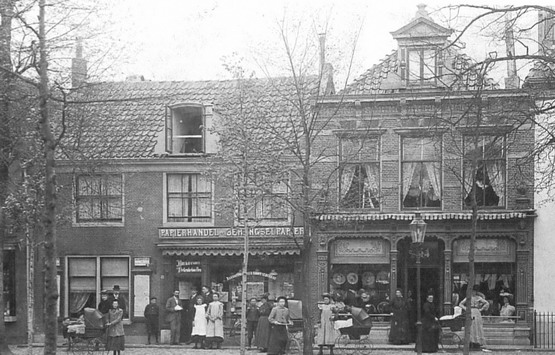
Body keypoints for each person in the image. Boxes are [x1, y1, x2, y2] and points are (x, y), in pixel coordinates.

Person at [460, 285, 490, 351]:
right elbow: (460, 304)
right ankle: (471, 342)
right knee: (471, 326)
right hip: (470, 311)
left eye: (474, 291)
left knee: (477, 326)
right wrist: (466, 308)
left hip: (476, 312)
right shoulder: (468, 297)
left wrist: (481, 309)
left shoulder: (478, 297)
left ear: (476, 292)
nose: (473, 292)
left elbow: (487, 303)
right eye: (472, 291)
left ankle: (477, 342)